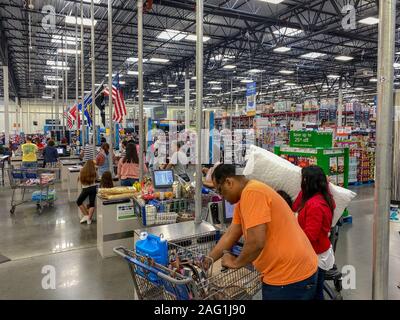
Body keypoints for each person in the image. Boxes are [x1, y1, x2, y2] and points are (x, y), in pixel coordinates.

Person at [207, 164, 318, 300]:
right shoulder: (243, 200)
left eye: (220, 191)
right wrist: (207, 260)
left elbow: (256, 242)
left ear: (229, 182)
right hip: (295, 269)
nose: (222, 197)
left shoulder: (252, 192)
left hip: (289, 276)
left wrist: (236, 262)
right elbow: (230, 235)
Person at [292, 165, 336, 300]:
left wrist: (291, 239)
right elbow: (295, 207)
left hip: (315, 254)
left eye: (303, 180)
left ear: (308, 182)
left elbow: (311, 235)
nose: (301, 182)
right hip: (318, 251)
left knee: (314, 293)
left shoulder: (315, 205)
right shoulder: (322, 196)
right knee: (316, 290)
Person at [77, 160, 97, 225]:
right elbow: (97, 178)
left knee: (79, 201)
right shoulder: (94, 171)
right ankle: (89, 219)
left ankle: (86, 215)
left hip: (85, 189)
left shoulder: (81, 170)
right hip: (93, 188)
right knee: (92, 204)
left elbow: (79, 179)